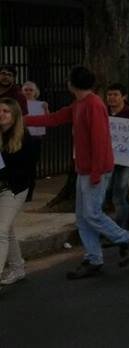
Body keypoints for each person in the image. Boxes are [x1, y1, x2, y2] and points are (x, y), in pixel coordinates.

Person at [24, 66, 129, 279]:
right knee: (83, 218)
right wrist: (25, 119)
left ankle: (124, 238)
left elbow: (100, 141)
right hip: (86, 169)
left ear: (71, 84)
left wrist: (96, 172)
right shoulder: (80, 103)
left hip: (95, 170)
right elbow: (55, 118)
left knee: (91, 214)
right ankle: (94, 258)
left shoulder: (93, 104)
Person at [0, 98, 40, 289]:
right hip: (1, 186)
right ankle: (17, 268)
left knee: (0, 231)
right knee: (7, 230)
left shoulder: (26, 139)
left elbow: (27, 172)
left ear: (15, 115)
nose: (1, 114)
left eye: (6, 111)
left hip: (15, 189)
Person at [104, 83, 129, 230]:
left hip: (127, 160)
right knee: (107, 191)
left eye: (115, 95)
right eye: (109, 95)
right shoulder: (103, 112)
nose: (111, 98)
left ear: (124, 97)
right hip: (108, 159)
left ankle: (122, 228)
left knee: (119, 194)